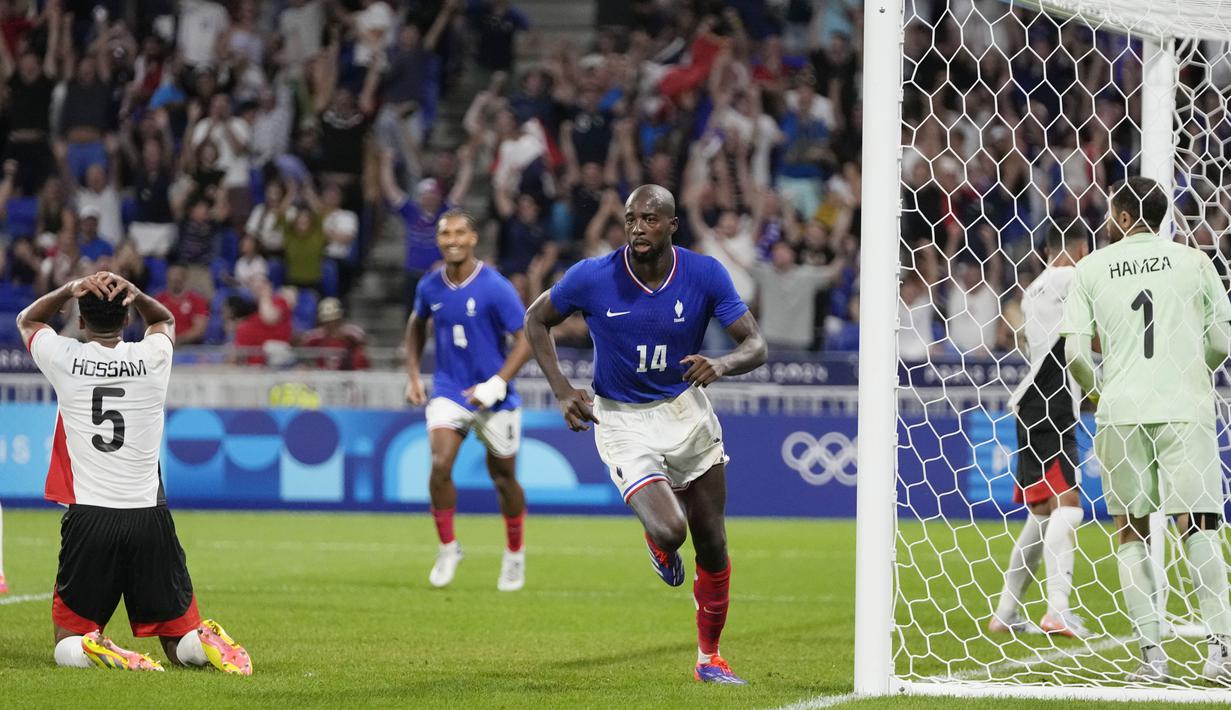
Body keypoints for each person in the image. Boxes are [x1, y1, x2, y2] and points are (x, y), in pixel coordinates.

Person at [524, 184, 768, 684]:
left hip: (686, 411)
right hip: (621, 420)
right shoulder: (592, 276)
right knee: (671, 530)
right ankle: (657, 543)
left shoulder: (703, 273)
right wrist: (561, 388)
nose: (638, 227)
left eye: (650, 219)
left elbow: (756, 344)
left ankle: (709, 659)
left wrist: (721, 364)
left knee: (714, 543)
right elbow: (535, 319)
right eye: (632, 218)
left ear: (671, 225)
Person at [15, 271, 251, 674]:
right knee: (177, 641)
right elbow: (166, 322)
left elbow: (28, 321)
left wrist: (69, 289)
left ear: (82, 322)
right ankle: (200, 643)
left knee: (67, 639)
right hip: (148, 516)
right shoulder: (150, 357)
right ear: (127, 320)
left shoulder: (66, 358)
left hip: (90, 515)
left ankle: (93, 648)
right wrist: (138, 293)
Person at [1063, 176, 1231, 682]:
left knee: (1131, 531)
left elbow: (1074, 353)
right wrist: (1189, 371)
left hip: (1121, 410)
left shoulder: (1090, 268)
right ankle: (1220, 653)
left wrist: (1101, 392)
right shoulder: (1196, 261)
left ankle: (1151, 658)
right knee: (1198, 525)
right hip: (1185, 407)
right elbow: (1222, 342)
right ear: (1162, 216)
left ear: (1118, 216)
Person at [404, 210, 531, 592]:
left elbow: (527, 339)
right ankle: (448, 547)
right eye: (445, 234)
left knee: (504, 478)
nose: (452, 240)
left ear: (473, 238)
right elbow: (415, 324)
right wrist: (413, 374)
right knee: (440, 463)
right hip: (449, 389)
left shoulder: (495, 287)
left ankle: (514, 554)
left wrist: (496, 383)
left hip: (495, 397)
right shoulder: (429, 286)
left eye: (460, 232)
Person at [990, 222, 1089, 638]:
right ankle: (1057, 611)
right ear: (1078, 249)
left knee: (1042, 513)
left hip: (1031, 401)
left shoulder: (1033, 290)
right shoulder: (1071, 277)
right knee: (1069, 508)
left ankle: (1006, 612)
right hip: (1052, 401)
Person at [302, 298, 370, 371]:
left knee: (360, 355)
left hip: (348, 375)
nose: (331, 324)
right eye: (327, 321)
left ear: (339, 319)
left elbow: (362, 345)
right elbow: (302, 349)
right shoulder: (315, 336)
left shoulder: (351, 333)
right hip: (322, 376)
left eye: (334, 320)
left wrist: (347, 341)